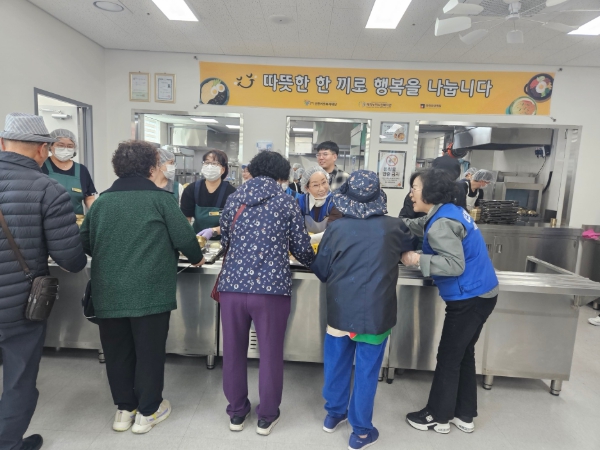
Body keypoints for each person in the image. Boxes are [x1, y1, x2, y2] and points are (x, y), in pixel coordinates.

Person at [79, 140, 204, 435]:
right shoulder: (161, 200)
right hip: (150, 292)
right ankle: (148, 412)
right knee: (149, 352)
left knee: (117, 352)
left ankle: (124, 410)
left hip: (108, 291)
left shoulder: (102, 203)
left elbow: (85, 241)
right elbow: (186, 239)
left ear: (117, 168)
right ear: (151, 167)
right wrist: (196, 258)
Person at [311, 170, 416, 450]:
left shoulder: (336, 228)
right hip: (376, 313)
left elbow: (321, 270)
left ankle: (334, 414)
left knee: (336, 364)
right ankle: (360, 432)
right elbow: (410, 247)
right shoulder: (395, 227)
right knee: (367, 371)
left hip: (340, 311)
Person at [0, 113, 87, 450]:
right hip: (19, 305)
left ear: (2, 143)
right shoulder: (47, 189)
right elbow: (70, 260)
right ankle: (8, 444)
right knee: (18, 379)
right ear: (43, 150)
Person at [218, 151, 315, 436]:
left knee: (233, 351)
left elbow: (225, 239)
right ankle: (267, 416)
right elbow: (301, 246)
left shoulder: (234, 198)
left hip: (232, 288)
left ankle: (237, 413)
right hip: (271, 290)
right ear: (282, 175)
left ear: (254, 169)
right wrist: (317, 263)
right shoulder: (286, 201)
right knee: (270, 353)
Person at [400, 168, 498, 435]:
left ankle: (438, 416)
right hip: (483, 292)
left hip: (469, 297)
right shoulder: (447, 211)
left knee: (448, 357)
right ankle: (464, 415)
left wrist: (416, 259)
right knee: (463, 354)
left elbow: (454, 265)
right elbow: (420, 225)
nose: (411, 194)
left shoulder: (442, 223)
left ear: (430, 192)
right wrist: (389, 224)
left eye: (415, 188)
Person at [180, 149, 236, 239]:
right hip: (197, 240)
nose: (210, 166)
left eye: (214, 163)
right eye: (207, 163)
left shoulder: (232, 193)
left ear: (223, 169)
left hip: (223, 241)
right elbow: (185, 220)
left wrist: (214, 231)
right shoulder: (191, 189)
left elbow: (234, 223)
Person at [41, 128, 97, 215]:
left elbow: (89, 197)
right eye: (60, 145)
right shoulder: (41, 166)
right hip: (49, 219)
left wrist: (96, 213)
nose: (65, 149)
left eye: (70, 146)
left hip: (77, 221)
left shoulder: (82, 170)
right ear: (50, 146)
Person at [296, 166, 342, 244]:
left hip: (328, 245)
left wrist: (307, 240)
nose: (322, 189)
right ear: (307, 188)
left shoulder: (335, 202)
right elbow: (296, 228)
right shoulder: (300, 202)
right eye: (315, 185)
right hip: (306, 247)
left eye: (324, 182)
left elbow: (333, 231)